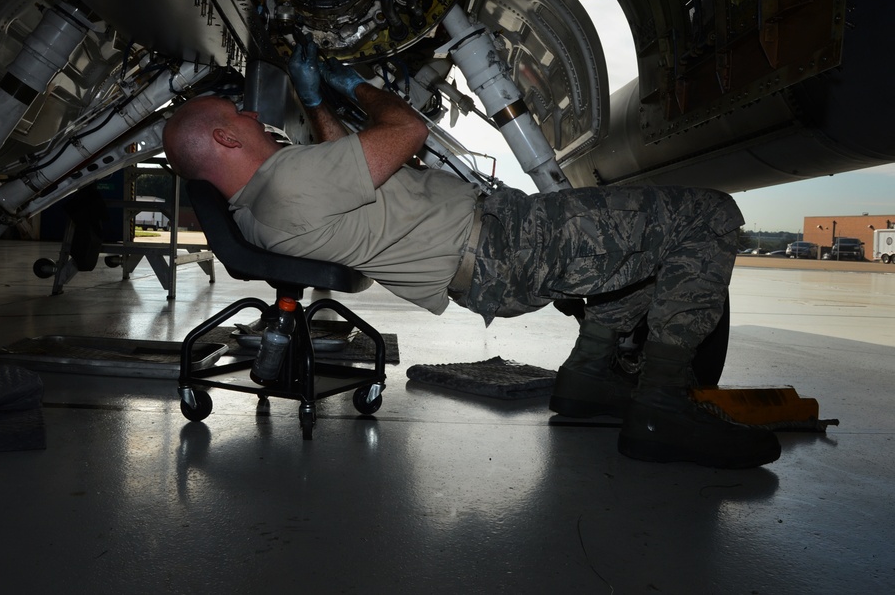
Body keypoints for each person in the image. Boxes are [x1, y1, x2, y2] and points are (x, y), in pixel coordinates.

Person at [162, 42, 781, 469]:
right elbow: (406, 133)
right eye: (235, 114)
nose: (250, 111)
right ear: (223, 137)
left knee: (645, 246)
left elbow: (349, 170)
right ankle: (663, 406)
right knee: (708, 216)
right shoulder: (290, 186)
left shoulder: (264, 202)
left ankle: (590, 379)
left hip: (492, 254)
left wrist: (318, 105)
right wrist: (359, 87)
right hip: (508, 244)